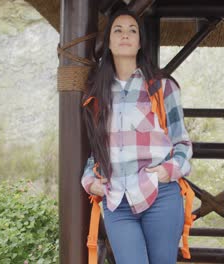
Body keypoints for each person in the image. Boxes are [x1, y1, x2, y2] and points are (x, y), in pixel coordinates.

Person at [80, 8, 193, 264]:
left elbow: (182, 143)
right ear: (107, 42)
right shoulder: (96, 93)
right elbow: (96, 152)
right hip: (116, 200)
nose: (125, 35)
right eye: (117, 30)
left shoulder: (162, 87)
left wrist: (168, 171)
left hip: (159, 196)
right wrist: (90, 180)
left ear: (141, 41)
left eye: (133, 31)